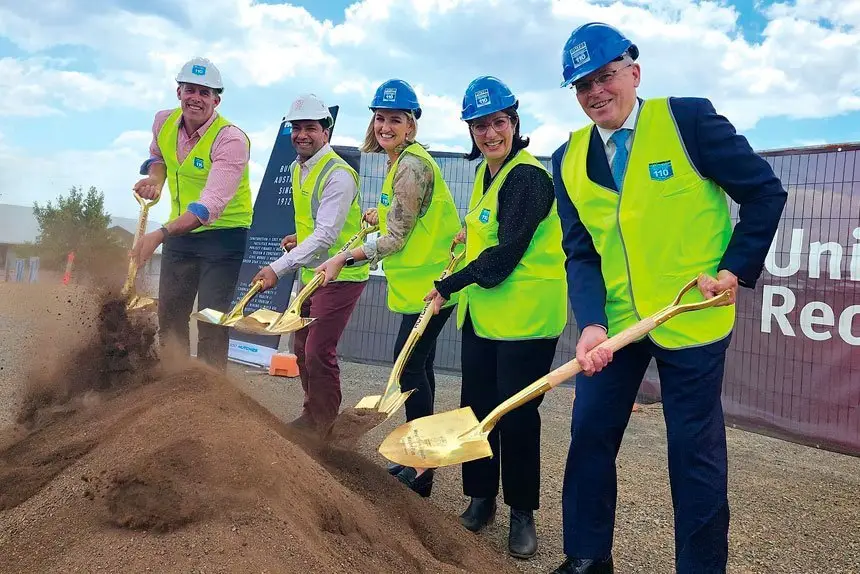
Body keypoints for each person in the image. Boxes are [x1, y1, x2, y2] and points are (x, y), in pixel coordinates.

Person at [550, 23, 788, 574]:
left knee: (693, 454)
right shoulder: (568, 159)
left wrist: (733, 268)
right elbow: (581, 253)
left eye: (605, 76)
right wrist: (589, 323)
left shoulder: (688, 122)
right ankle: (587, 556)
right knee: (588, 432)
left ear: (633, 72)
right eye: (582, 85)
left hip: (691, 318)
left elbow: (763, 192)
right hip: (616, 326)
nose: (595, 93)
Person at [424, 76, 568, 560]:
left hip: (526, 321)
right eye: (480, 125)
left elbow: (507, 253)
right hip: (485, 319)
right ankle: (481, 496)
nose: (490, 133)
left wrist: (448, 284)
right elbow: (490, 235)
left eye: (498, 123)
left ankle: (522, 512)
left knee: (518, 417)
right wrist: (466, 242)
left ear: (515, 123)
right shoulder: (490, 175)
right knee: (477, 410)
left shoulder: (528, 177)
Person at [315, 79, 462, 496]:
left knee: (410, 369)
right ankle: (420, 463)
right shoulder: (402, 161)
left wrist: (344, 257)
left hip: (433, 287)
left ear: (411, 126)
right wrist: (376, 216)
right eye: (380, 118)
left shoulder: (412, 165)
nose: (385, 126)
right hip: (422, 287)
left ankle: (422, 470)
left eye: (395, 119)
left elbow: (397, 238)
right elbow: (403, 217)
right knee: (419, 369)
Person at [250, 94, 368, 436]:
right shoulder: (296, 167)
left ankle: (323, 424)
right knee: (300, 346)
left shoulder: (339, 175)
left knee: (318, 349)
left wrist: (277, 267)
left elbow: (328, 234)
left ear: (325, 132)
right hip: (312, 272)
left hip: (342, 274)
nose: (302, 134)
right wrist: (297, 239)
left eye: (310, 128)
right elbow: (314, 226)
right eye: (296, 128)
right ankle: (312, 413)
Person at [132, 56, 253, 371]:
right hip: (181, 234)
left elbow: (207, 206)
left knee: (211, 318)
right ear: (178, 92)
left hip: (224, 236)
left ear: (216, 100)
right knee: (170, 314)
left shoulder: (232, 140)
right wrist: (155, 181)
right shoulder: (163, 122)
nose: (195, 98)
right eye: (190, 90)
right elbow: (157, 156)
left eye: (204, 93)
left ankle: (210, 399)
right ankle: (174, 383)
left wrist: (159, 235)